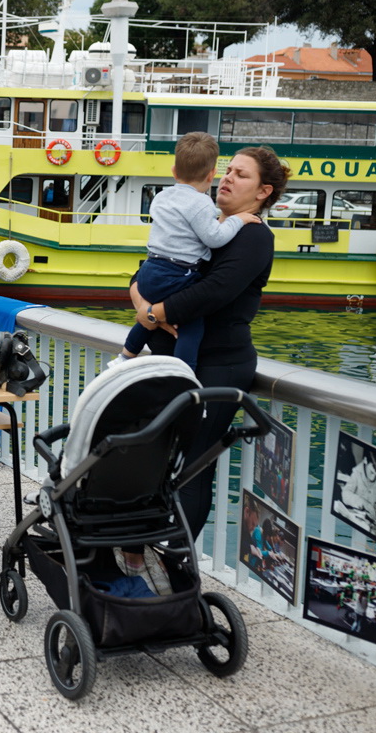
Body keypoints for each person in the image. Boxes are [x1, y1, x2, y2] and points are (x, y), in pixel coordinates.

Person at [131, 146, 287, 539]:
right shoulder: (201, 219)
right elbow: (149, 269)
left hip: (218, 365)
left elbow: (213, 292)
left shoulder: (253, 236)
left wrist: (153, 313)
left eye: (241, 174)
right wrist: (142, 304)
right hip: (174, 361)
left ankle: (176, 558)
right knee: (157, 457)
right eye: (228, 170)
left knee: (193, 465)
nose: (228, 178)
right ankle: (138, 546)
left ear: (263, 191)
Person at [111, 132, 261, 370]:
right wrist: (238, 220)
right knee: (191, 327)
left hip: (151, 270)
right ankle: (184, 371)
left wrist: (150, 311)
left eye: (239, 174)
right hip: (177, 275)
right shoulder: (201, 203)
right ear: (211, 174)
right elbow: (214, 238)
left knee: (146, 320)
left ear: (174, 171)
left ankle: (125, 356)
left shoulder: (162, 197)